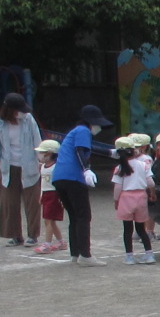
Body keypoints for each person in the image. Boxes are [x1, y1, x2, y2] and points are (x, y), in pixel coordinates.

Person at [51, 104, 113, 265]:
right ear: (92, 122)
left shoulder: (74, 132)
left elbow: (90, 148)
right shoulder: (83, 131)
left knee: (74, 217)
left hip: (59, 178)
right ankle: (86, 255)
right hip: (74, 177)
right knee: (84, 216)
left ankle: (75, 254)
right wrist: (86, 169)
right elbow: (80, 150)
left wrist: (110, 153)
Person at [0, 92, 43, 246]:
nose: (21, 113)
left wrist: (41, 164)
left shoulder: (28, 119)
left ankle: (33, 235)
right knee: (10, 203)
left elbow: (37, 142)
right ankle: (15, 235)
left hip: (29, 165)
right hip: (9, 168)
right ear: (9, 110)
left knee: (33, 203)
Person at [111, 138, 157, 264]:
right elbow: (151, 182)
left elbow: (118, 187)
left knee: (127, 229)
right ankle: (149, 255)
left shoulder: (120, 168)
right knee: (141, 228)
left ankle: (129, 256)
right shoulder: (143, 165)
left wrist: (116, 200)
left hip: (126, 198)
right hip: (141, 196)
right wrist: (152, 193)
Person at [32, 140, 67, 254]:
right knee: (50, 221)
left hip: (54, 195)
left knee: (49, 220)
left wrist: (62, 197)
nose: (40, 155)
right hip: (46, 194)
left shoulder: (57, 167)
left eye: (43, 152)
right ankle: (61, 242)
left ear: (51, 153)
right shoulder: (42, 167)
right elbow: (43, 183)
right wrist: (41, 195)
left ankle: (47, 244)